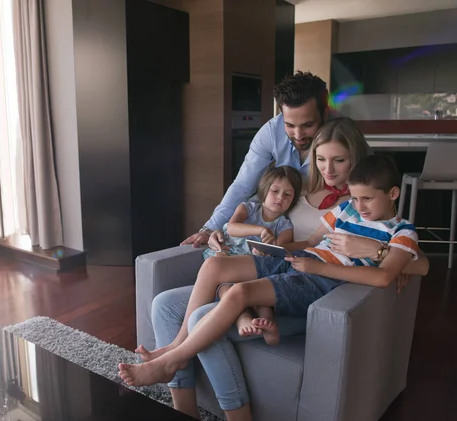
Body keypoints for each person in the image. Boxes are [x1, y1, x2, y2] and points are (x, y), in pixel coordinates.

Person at [131, 118, 429, 421]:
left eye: (339, 160)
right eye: (321, 159)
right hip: (285, 260)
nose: (328, 169)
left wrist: (381, 253)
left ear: (357, 159)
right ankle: (178, 376)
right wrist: (221, 232)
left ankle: (175, 361)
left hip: (309, 280)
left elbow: (414, 260)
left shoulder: (369, 205)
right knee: (173, 297)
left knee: (201, 317)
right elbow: (303, 239)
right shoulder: (302, 191)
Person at [182, 71, 332, 248]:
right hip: (271, 222)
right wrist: (210, 228)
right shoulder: (271, 132)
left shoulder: (343, 139)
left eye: (308, 125)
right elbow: (242, 186)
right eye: (290, 125)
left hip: (316, 225)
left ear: (325, 114)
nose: (298, 135)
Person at [202, 165, 302, 339]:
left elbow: (279, 251)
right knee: (226, 288)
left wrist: (266, 251)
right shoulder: (247, 208)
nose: (280, 197)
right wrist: (260, 230)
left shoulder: (285, 225)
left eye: (287, 194)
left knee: (256, 290)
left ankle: (267, 321)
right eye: (275, 191)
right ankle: (243, 318)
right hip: (227, 259)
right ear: (264, 190)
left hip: (252, 267)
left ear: (293, 199)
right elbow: (232, 228)